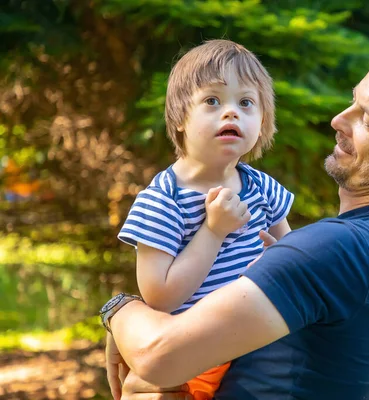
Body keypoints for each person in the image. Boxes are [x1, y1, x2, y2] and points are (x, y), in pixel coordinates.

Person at [102, 38, 369, 400]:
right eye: (352, 102)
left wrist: (119, 310)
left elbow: (157, 356)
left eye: (368, 120)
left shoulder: (340, 248)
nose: (339, 119)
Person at [115, 39, 293, 400]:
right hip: (198, 356)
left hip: (262, 343)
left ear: (262, 123)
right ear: (180, 118)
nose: (231, 113)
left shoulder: (261, 187)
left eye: (246, 103)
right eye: (212, 101)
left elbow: (293, 256)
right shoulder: (164, 200)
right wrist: (213, 232)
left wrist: (282, 256)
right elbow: (160, 297)